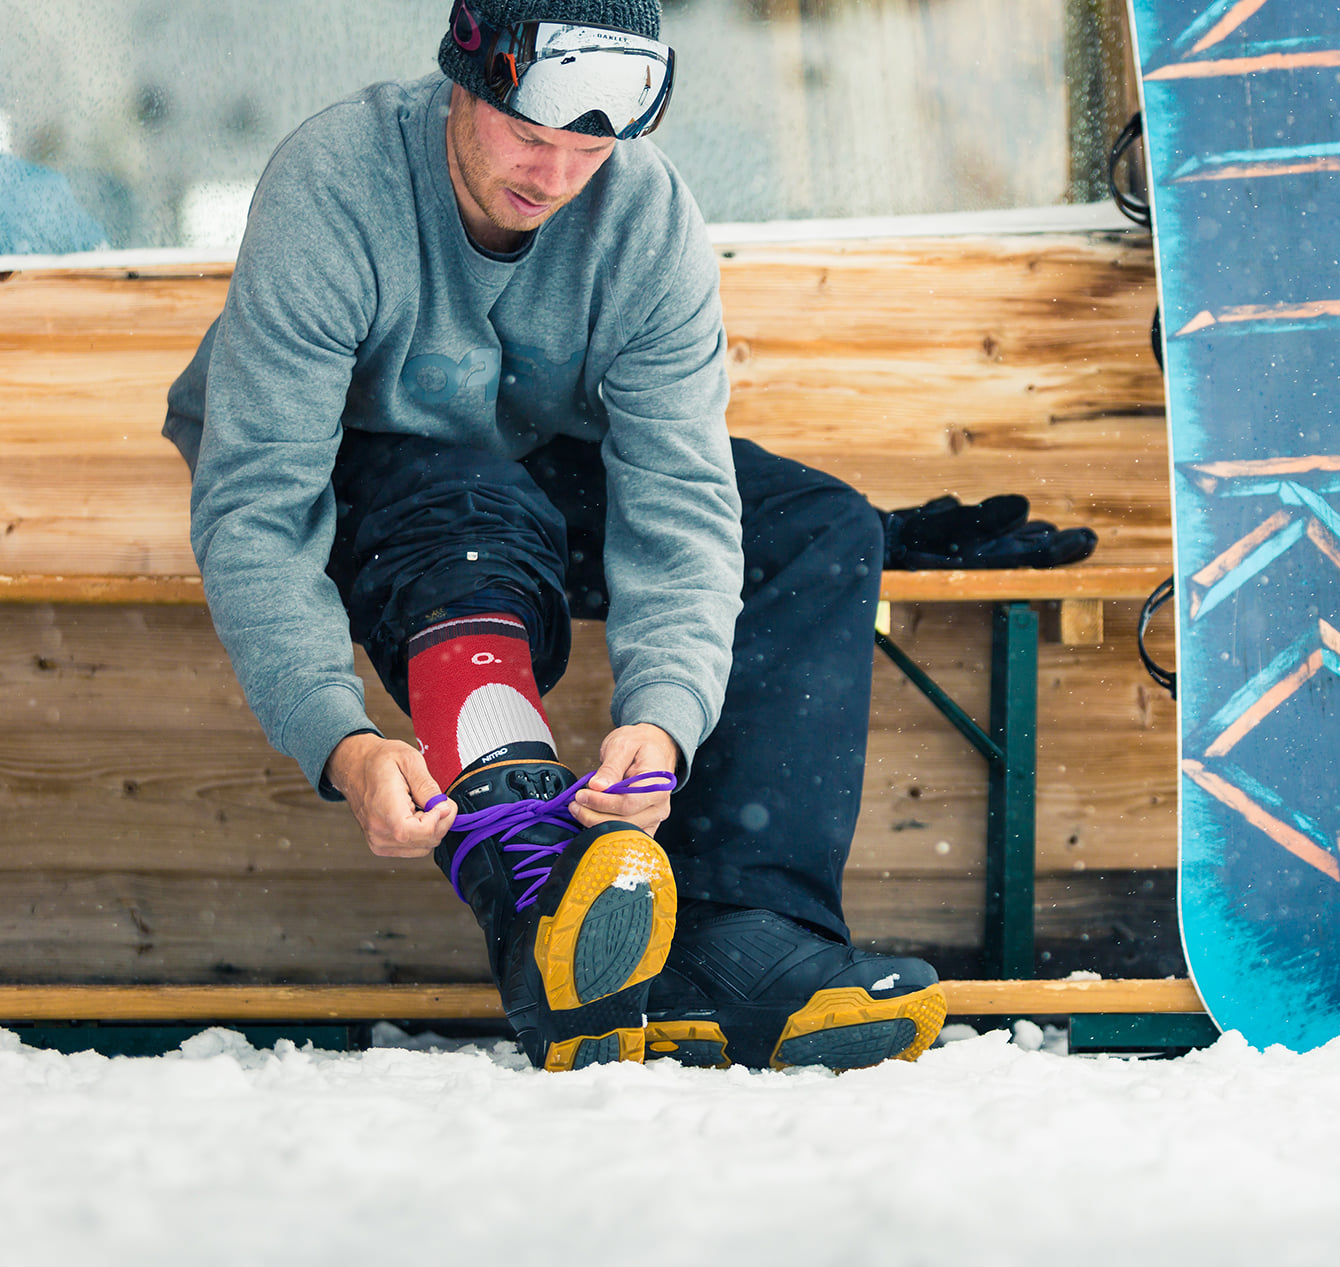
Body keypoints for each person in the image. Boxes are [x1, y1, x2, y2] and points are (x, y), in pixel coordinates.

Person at [162, 0, 946, 1072]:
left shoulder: (643, 216)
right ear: (464, 81)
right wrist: (337, 743)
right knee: (470, 507)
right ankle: (531, 886)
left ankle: (743, 936)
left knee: (815, 527)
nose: (556, 175)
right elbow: (256, 504)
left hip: (532, 452)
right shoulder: (337, 184)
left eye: (590, 146)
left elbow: (679, 493)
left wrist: (666, 724)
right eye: (528, 136)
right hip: (352, 455)